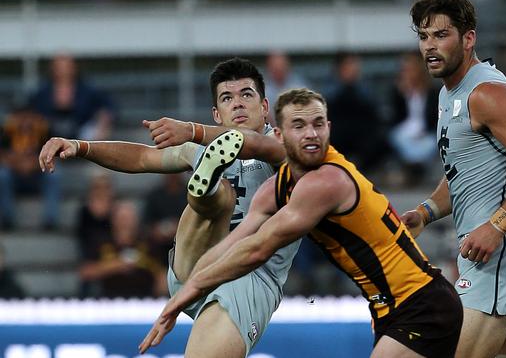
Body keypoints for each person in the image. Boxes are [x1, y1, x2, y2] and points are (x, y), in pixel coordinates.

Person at [139, 88, 463, 358]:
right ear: (279, 134)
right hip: (391, 311)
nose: (311, 134)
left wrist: (186, 294)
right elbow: (232, 245)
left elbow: (257, 250)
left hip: (422, 304)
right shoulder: (275, 188)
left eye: (318, 124)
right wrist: (187, 288)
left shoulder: (327, 182)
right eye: (299, 125)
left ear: (329, 128)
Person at [39, 58, 297, 357]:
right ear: (216, 113)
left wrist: (191, 130)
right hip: (196, 263)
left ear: (265, 106)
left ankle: (209, 188)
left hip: (249, 276)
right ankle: (207, 189)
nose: (237, 104)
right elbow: (141, 158)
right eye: (227, 98)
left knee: (218, 189)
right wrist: (82, 146)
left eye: (246, 95)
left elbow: (256, 145)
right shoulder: (201, 146)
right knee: (215, 191)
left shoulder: (283, 146)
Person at [401, 0, 506, 358]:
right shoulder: (450, 93)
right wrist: (425, 212)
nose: (430, 46)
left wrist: (496, 225)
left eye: (441, 35)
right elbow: (463, 173)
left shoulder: (486, 92)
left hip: (500, 255)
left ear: (468, 38)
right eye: (424, 36)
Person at [79, 200, 162, 298]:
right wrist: (116, 265)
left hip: (144, 299)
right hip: (109, 300)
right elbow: (85, 272)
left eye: (129, 218)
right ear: (113, 220)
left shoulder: (148, 243)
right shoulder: (102, 242)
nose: (125, 223)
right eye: (122, 218)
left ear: (136, 221)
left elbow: (161, 274)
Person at [29, 54, 116, 141]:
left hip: (82, 134)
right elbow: (29, 111)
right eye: (59, 67)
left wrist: (102, 125)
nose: (63, 71)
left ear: (74, 68)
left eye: (67, 67)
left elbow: (107, 109)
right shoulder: (42, 92)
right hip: (48, 134)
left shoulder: (88, 91)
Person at [0, 105, 60, 230]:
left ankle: (50, 220)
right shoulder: (7, 131)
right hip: (15, 175)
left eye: (29, 117)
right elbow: (3, 157)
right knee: (3, 175)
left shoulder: (44, 131)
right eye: (22, 117)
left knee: (54, 176)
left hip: (37, 174)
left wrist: (30, 163)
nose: (25, 121)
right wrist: (21, 163)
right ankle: (7, 219)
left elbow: (52, 157)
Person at [387, 51, 440, 185]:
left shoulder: (432, 91)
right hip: (405, 130)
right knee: (397, 138)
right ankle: (415, 168)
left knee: (430, 143)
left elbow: (434, 118)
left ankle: (413, 168)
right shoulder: (398, 92)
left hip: (425, 132)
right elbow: (395, 118)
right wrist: (405, 94)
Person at [264, 50, 309, 126]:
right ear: (269, 68)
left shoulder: (299, 86)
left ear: (288, 66)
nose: (278, 70)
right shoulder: (262, 87)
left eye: (281, 66)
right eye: (275, 67)